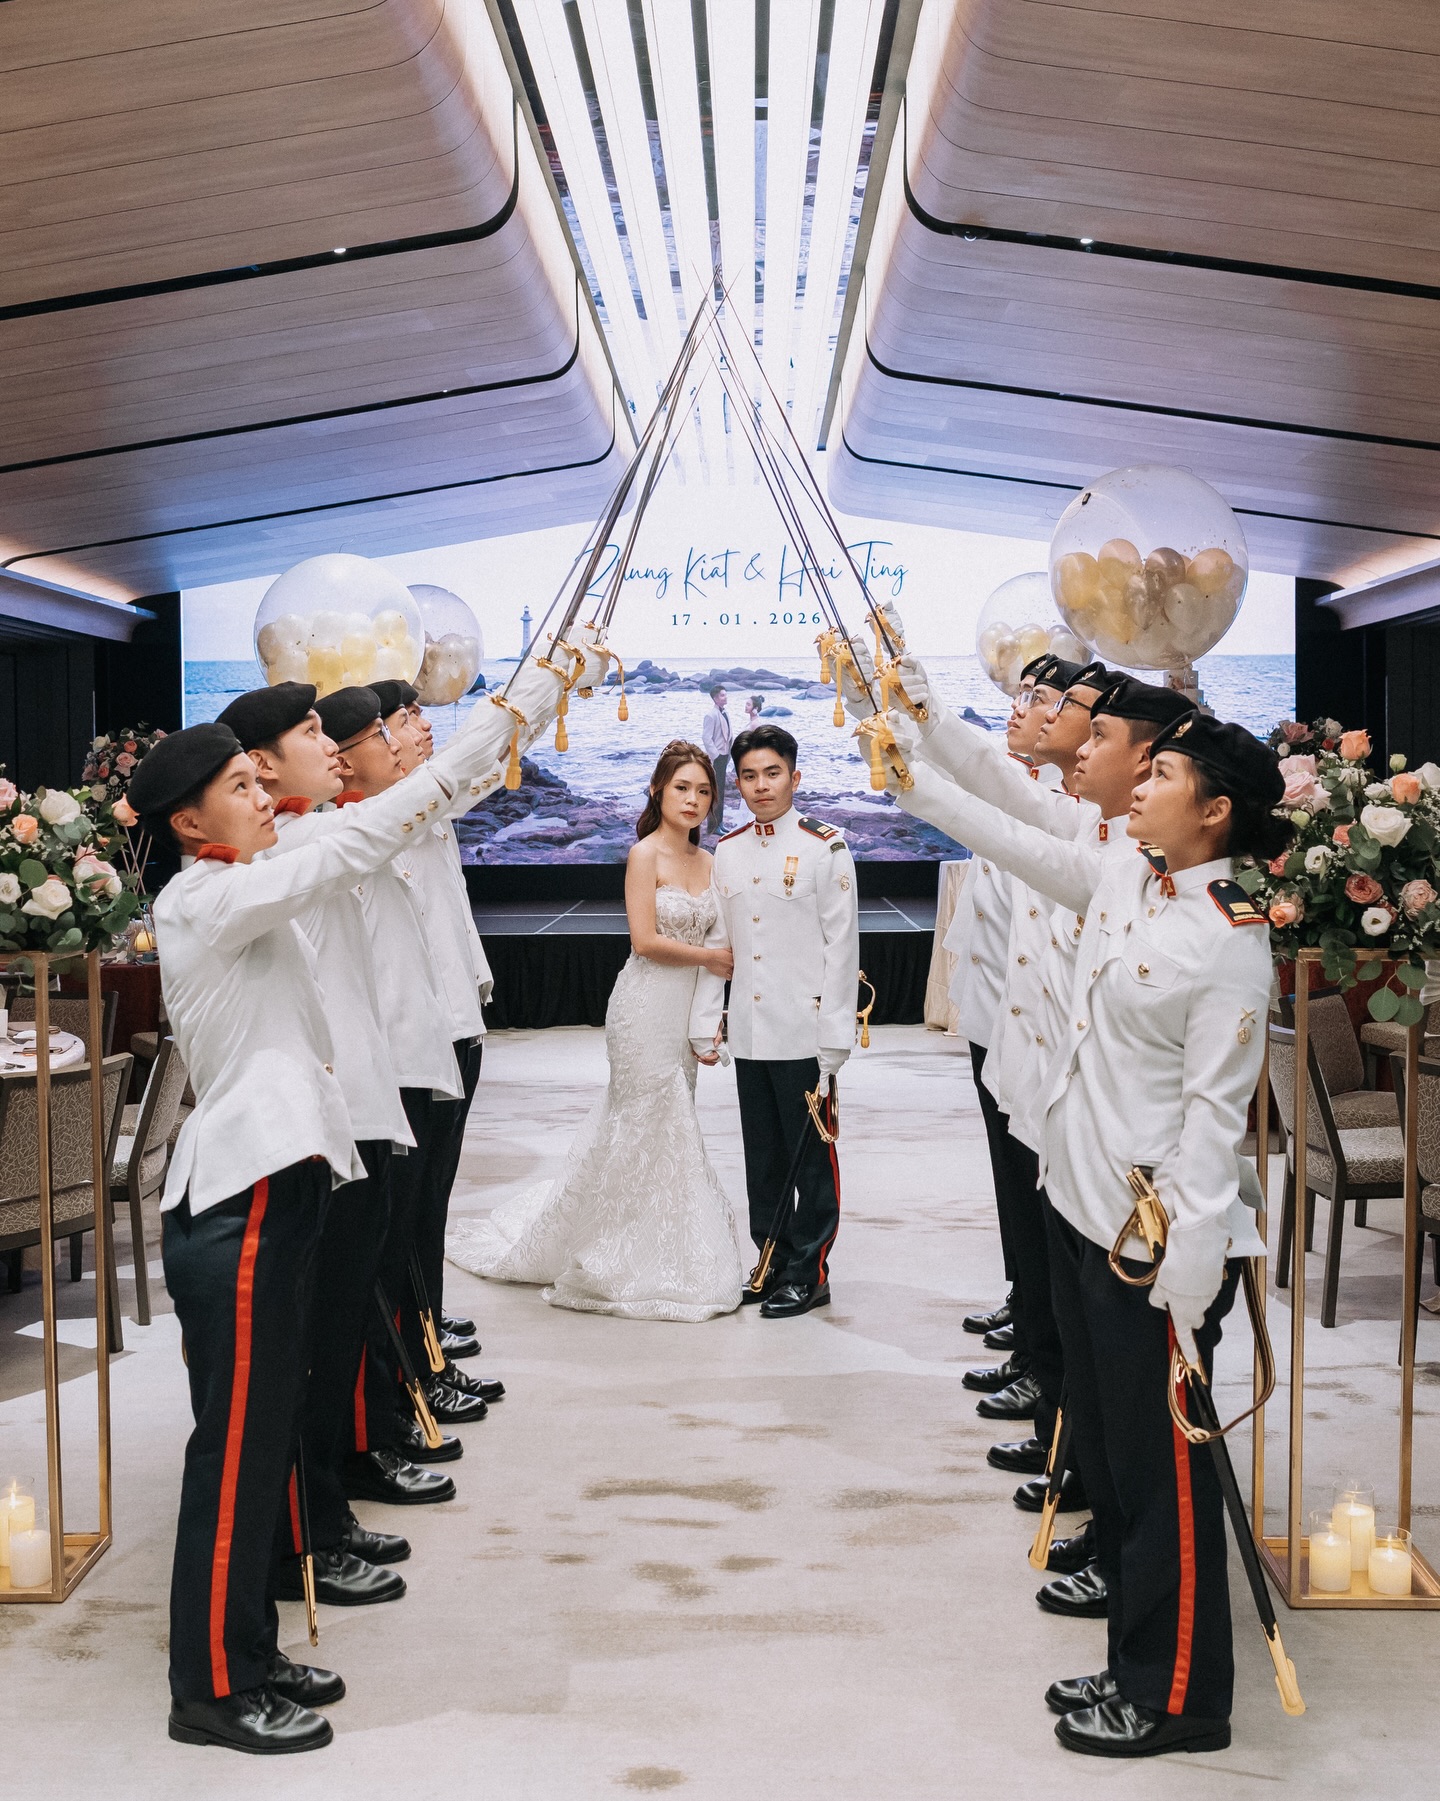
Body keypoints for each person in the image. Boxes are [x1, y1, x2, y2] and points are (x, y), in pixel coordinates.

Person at [128, 716, 513, 1754]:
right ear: (188, 820)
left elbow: (346, 839)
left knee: (270, 1440)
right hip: (241, 1198)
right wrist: (482, 741)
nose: (264, 798)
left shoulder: (245, 881)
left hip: (279, 1183)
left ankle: (249, 1651)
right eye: (240, 786)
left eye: (260, 781)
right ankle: (211, 1686)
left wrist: (492, 741)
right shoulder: (203, 898)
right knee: (237, 1453)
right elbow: (350, 842)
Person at [1029, 714, 1286, 1758]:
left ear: (1214, 810)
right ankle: (1134, 1658)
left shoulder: (1229, 939)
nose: (1140, 781)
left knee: (1166, 1482)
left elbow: (1215, 1120)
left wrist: (1186, 1275)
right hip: (1091, 1211)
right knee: (1116, 1461)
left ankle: (1180, 1697)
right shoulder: (1140, 880)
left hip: (1156, 1248)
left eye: (1164, 771)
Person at [214, 682, 412, 1608]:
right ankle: (309, 1532)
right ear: (260, 765)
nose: (332, 745)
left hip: (357, 1112)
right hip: (321, 1126)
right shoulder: (288, 852)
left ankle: (324, 1516)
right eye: (310, 732)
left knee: (333, 1339)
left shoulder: (308, 836)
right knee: (314, 1346)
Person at [447, 741, 746, 1320]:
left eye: (703, 791)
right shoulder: (644, 854)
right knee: (643, 1124)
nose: (693, 800)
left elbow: (720, 938)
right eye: (682, 788)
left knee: (672, 1123)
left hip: (684, 1013)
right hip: (642, 1008)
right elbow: (645, 941)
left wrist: (710, 1018)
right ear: (658, 790)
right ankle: (616, 1251)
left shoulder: (711, 863)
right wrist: (711, 960)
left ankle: (663, 1245)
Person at [698, 723, 860, 1318]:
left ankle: (809, 1272)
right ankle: (769, 1260)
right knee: (763, 1159)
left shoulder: (826, 847)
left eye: (772, 773)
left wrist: (835, 1038)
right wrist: (711, 1019)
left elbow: (842, 947)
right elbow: (722, 944)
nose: (761, 786)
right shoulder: (729, 850)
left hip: (805, 1032)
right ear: (737, 783)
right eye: (749, 776)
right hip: (751, 1029)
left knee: (810, 1161)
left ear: (795, 776)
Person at [701, 684, 732, 835]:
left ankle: (719, 823)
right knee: (715, 792)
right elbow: (706, 738)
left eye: (725, 694)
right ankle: (713, 826)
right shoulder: (711, 715)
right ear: (715, 698)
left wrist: (728, 753)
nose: (725, 697)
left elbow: (728, 734)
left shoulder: (725, 712)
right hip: (717, 758)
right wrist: (716, 755)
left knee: (721, 791)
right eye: (722, 695)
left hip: (725, 755)